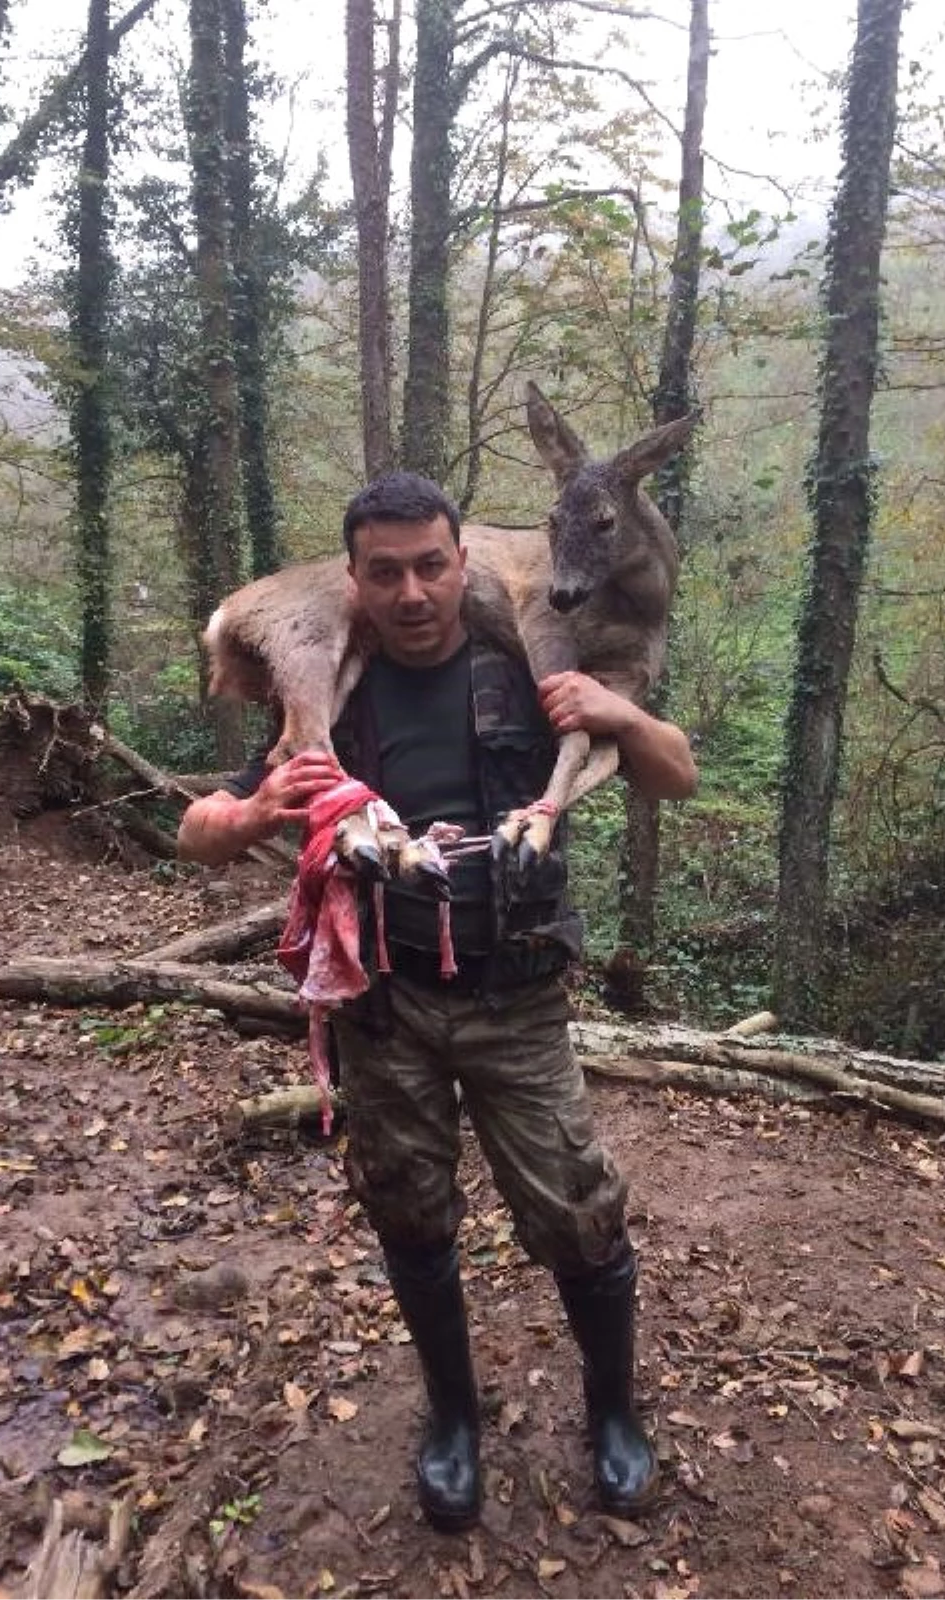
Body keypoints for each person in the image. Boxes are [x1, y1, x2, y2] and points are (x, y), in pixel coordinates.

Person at [177, 471, 698, 1532]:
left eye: (430, 566)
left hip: (518, 1000)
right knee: (409, 1209)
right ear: (356, 582)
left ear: (466, 563)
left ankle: (613, 1414)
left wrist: (618, 713)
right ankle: (453, 1419)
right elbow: (202, 825)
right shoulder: (335, 689)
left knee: (579, 1211)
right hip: (384, 1001)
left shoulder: (526, 658)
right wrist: (242, 821)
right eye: (385, 572)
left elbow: (675, 773)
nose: (411, 592)